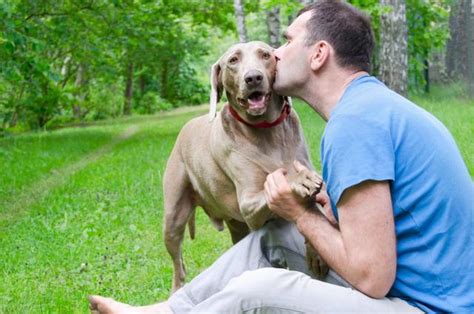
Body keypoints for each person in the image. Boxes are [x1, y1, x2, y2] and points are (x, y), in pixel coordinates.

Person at [89, 1, 474, 313]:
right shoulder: (370, 107)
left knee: (258, 288)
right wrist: (316, 212)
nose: (276, 53)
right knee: (273, 236)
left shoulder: (356, 124)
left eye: (287, 42)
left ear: (319, 54)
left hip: (426, 307)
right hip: (425, 289)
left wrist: (302, 214)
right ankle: (167, 310)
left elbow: (373, 276)